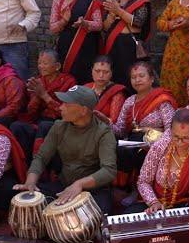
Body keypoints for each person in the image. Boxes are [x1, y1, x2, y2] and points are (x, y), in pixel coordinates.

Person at [13, 85, 117, 215]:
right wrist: (30, 182)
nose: (61, 107)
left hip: (94, 190)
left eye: (66, 104)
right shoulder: (59, 127)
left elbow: (109, 170)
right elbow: (41, 157)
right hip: (63, 185)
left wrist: (79, 185)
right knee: (28, 205)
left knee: (92, 215)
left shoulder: (104, 133)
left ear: (83, 110)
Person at [110, 62, 177, 192]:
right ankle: (124, 188)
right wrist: (105, 122)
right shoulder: (129, 101)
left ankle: (139, 190)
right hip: (133, 143)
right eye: (133, 77)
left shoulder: (161, 99)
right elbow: (120, 130)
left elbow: (172, 129)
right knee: (116, 146)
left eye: (141, 76)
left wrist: (154, 145)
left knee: (128, 150)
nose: (137, 80)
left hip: (158, 143)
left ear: (151, 79)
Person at [10, 49, 76, 161]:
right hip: (37, 121)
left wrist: (44, 95)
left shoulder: (69, 81)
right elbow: (31, 112)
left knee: (45, 125)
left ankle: (39, 163)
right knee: (17, 126)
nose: (41, 66)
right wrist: (36, 95)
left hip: (59, 123)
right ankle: (23, 164)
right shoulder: (37, 81)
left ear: (57, 66)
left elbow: (65, 112)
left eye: (45, 63)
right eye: (39, 63)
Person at [49, 0, 102, 85]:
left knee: (85, 78)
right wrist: (64, 20)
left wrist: (84, 23)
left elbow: (99, 25)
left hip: (86, 47)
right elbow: (53, 28)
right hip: (65, 46)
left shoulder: (91, 1)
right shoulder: (58, 1)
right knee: (65, 77)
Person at [102, 0, 151, 89]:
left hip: (129, 46)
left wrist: (118, 11)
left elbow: (138, 22)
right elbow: (106, 28)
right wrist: (111, 14)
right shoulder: (115, 2)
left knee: (128, 76)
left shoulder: (141, 2)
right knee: (113, 76)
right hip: (113, 44)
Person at [85, 56, 127, 124]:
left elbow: (114, 122)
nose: (101, 75)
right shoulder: (85, 88)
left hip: (103, 130)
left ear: (111, 73)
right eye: (97, 71)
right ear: (92, 70)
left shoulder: (116, 91)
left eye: (106, 72)